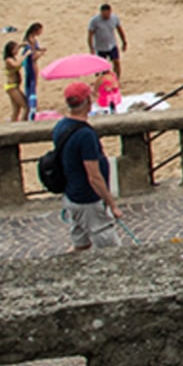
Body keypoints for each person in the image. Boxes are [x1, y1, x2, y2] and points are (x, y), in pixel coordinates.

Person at [54, 82, 122, 250]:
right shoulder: (85, 135)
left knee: (81, 244)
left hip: (72, 195)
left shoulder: (60, 126)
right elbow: (94, 176)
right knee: (112, 248)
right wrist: (111, 204)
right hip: (87, 199)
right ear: (88, 102)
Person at [87, 3, 128, 79]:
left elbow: (119, 30)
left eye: (107, 14)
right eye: (104, 14)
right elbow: (90, 35)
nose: (106, 16)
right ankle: (104, 79)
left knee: (116, 62)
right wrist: (91, 48)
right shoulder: (94, 21)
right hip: (100, 47)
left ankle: (117, 79)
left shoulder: (114, 18)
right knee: (103, 67)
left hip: (112, 45)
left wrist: (124, 42)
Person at [21, 22, 45, 115]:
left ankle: (30, 103)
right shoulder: (30, 42)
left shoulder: (31, 40)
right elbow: (33, 56)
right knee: (32, 83)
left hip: (29, 63)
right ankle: (32, 105)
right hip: (31, 64)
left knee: (30, 83)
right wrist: (41, 54)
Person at [2, 41, 27, 121]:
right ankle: (22, 125)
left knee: (16, 109)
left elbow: (16, 47)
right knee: (26, 107)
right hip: (12, 87)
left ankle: (12, 126)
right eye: (15, 50)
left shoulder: (12, 57)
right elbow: (16, 64)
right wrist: (25, 55)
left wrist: (21, 45)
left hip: (15, 86)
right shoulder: (9, 60)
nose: (17, 51)